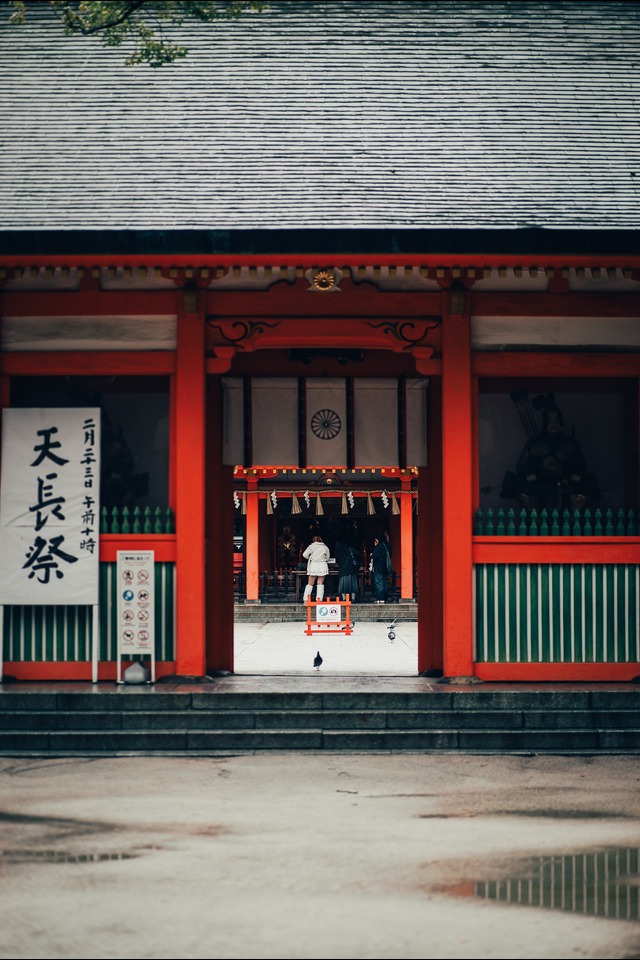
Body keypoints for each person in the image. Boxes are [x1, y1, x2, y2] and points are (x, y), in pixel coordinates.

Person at [302, 534, 330, 603]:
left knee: (310, 583)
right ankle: (319, 600)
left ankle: (306, 599)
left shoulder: (311, 546)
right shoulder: (325, 547)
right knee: (320, 583)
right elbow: (328, 557)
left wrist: (310, 558)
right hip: (322, 565)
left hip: (314, 565)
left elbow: (304, 554)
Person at [335, 538, 360, 602]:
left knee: (343, 585)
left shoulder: (338, 550)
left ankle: (344, 598)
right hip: (351, 569)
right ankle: (353, 598)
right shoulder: (350, 549)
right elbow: (358, 554)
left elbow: (337, 560)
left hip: (342, 570)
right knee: (353, 585)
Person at [371, 535, 391, 604]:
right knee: (385, 583)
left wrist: (372, 555)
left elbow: (375, 556)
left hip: (378, 567)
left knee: (379, 583)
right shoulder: (387, 546)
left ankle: (380, 598)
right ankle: (385, 598)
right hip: (385, 567)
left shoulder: (378, 546)